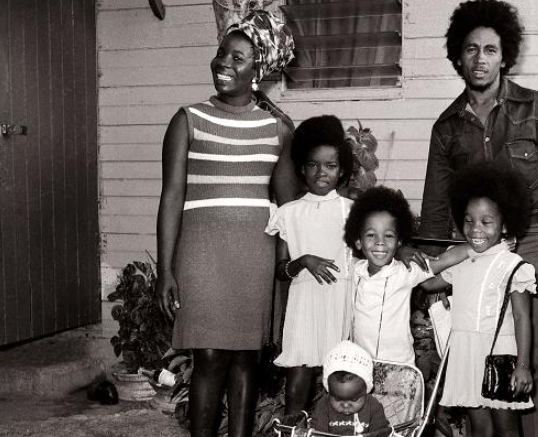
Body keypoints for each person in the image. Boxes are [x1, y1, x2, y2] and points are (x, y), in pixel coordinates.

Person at [418, 1, 538, 436]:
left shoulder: (537, 108)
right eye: (471, 49)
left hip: (527, 245)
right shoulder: (447, 128)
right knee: (480, 361)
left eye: (490, 50)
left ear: (505, 56)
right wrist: (433, 286)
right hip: (471, 253)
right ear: (458, 55)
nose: (480, 59)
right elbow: (436, 214)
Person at [155, 10, 297, 437]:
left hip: (255, 254)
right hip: (200, 252)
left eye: (238, 58)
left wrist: (288, 268)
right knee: (211, 355)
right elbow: (172, 197)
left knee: (245, 358)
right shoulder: (187, 120)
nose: (224, 64)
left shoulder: (278, 128)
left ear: (259, 69)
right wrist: (165, 270)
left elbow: (287, 204)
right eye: (222, 54)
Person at [421, 164, 535, 437]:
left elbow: (522, 317)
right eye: (469, 220)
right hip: (466, 351)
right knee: (480, 428)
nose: (475, 229)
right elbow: (426, 282)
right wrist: (446, 255)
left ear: (505, 224)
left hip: (500, 352)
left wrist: (523, 365)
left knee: (506, 428)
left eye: (487, 221)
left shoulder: (513, 265)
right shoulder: (461, 259)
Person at [264, 115, 355, 415]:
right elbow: (280, 271)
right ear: (302, 168)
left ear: (341, 171)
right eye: (314, 164)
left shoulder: (351, 212)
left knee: (342, 379)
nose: (321, 172)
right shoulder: (288, 214)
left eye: (330, 165)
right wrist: (302, 261)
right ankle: (292, 428)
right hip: (304, 304)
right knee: (298, 379)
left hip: (339, 300)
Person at [343, 187, 469, 365]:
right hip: (361, 366)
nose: (380, 242)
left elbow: (446, 259)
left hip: (399, 365)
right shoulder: (355, 270)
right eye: (371, 235)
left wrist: (482, 245)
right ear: (358, 241)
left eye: (388, 236)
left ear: (399, 241)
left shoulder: (405, 272)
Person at [312, 340, 390, 436]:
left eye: (354, 399)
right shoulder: (323, 406)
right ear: (329, 390)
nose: (345, 405)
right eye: (337, 399)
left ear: (366, 390)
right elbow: (317, 433)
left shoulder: (373, 407)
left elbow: (380, 433)